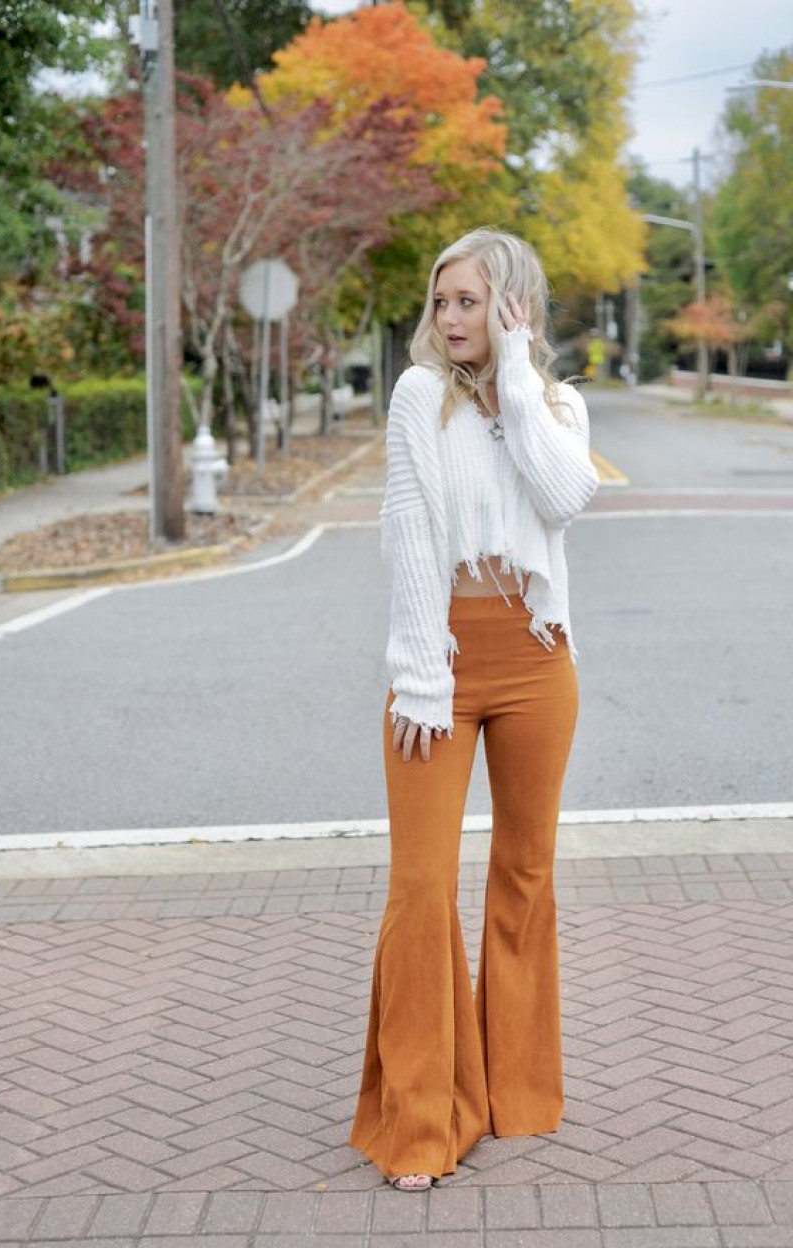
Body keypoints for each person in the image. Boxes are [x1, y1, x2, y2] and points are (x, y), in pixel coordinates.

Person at [348, 227, 600, 1192]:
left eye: (472, 303)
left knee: (524, 874)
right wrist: (421, 675)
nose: (450, 320)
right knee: (420, 887)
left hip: (538, 657)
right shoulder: (419, 397)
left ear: (512, 307)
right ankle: (420, 1120)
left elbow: (565, 497)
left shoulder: (557, 405)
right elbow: (409, 532)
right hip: (439, 663)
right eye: (443, 302)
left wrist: (522, 388)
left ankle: (518, 1088)